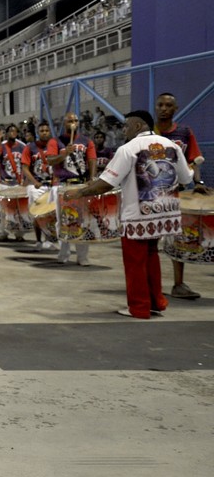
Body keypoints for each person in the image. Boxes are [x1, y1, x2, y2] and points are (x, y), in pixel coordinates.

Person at [61, 110, 195, 318]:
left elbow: (106, 184)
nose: (124, 129)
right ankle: (156, 302)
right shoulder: (172, 147)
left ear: (139, 126)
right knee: (151, 256)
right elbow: (186, 178)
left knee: (134, 262)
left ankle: (139, 307)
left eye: (127, 125)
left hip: (138, 214)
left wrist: (78, 193)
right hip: (164, 213)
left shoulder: (128, 149)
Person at [153, 92, 206, 300]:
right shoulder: (148, 132)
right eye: (160, 105)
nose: (164, 108)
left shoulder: (184, 132)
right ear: (155, 107)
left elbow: (195, 159)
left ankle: (178, 284)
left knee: (177, 237)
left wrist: (198, 182)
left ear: (175, 109)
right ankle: (150, 284)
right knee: (149, 241)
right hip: (149, 193)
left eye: (168, 105)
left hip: (176, 192)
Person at [47, 111, 96, 265]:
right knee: (63, 220)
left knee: (83, 220)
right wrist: (63, 155)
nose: (73, 123)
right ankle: (64, 253)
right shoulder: (55, 142)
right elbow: (50, 160)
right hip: (63, 185)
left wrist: (92, 179)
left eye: (75, 120)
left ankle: (82, 256)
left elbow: (92, 160)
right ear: (64, 123)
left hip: (81, 184)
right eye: (70, 121)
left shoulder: (86, 141)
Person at [22, 121, 56, 250]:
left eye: (46, 131)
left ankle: (49, 239)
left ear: (50, 132)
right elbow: (25, 168)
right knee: (37, 214)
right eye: (42, 131)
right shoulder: (30, 148)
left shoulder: (55, 146)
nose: (44, 133)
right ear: (38, 133)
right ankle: (38, 240)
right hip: (36, 185)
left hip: (51, 185)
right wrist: (34, 182)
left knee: (50, 214)